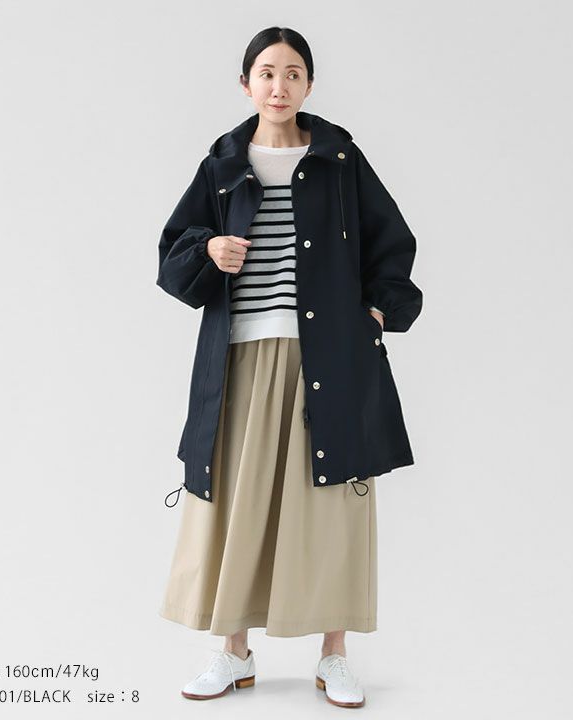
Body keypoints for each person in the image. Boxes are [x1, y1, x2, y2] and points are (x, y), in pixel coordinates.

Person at [156, 26, 423, 709]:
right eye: (268, 73)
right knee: (238, 502)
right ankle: (234, 652)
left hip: (327, 355)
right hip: (242, 356)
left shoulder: (339, 159)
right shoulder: (222, 163)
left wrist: (376, 313)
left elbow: (392, 242)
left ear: (308, 84)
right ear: (246, 83)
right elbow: (174, 255)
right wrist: (208, 248)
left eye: (293, 73)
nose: (280, 86)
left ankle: (334, 656)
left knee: (329, 505)